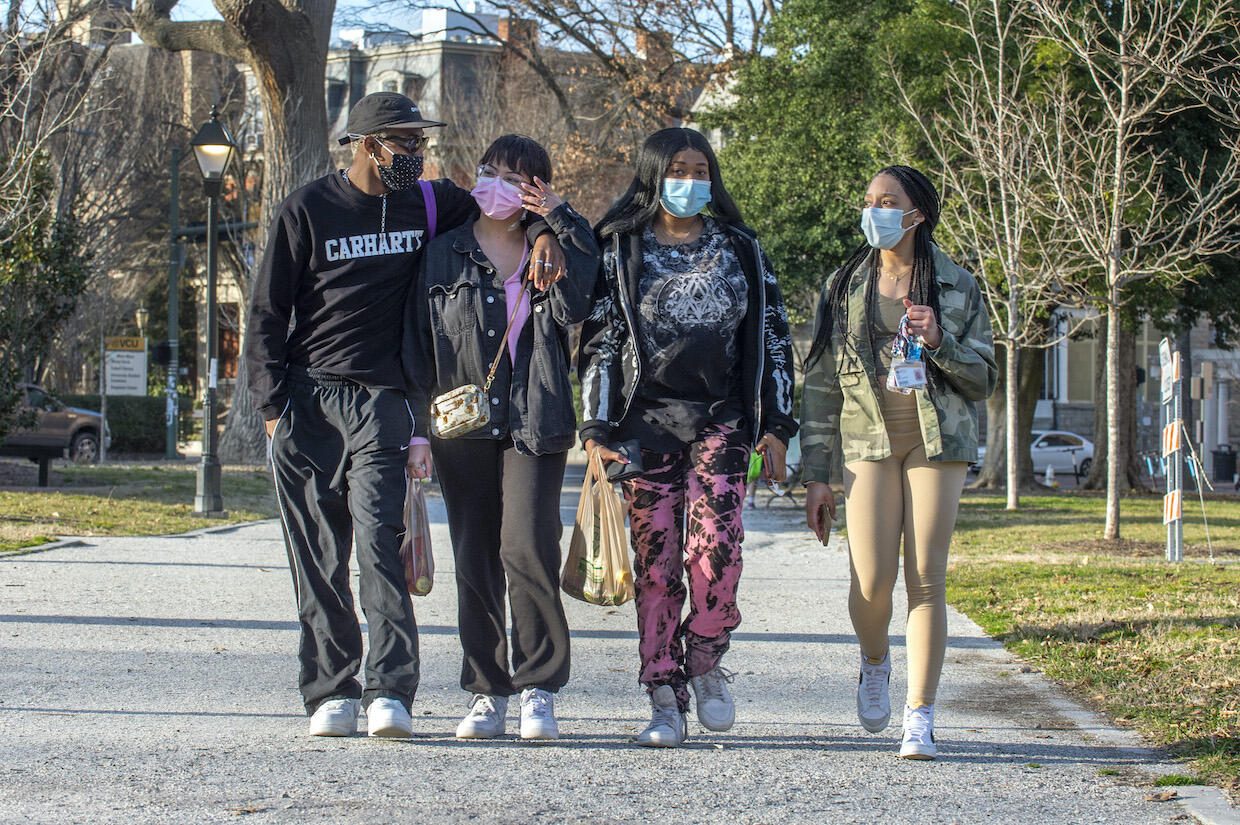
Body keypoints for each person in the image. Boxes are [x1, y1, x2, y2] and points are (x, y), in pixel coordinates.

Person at [246, 92, 567, 739]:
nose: (418, 154)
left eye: (421, 142)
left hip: (384, 400)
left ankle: (390, 690)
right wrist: (273, 407)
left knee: (381, 546)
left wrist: (545, 232)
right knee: (319, 554)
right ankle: (331, 690)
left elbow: (501, 214)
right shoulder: (306, 209)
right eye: (406, 143)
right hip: (309, 399)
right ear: (368, 145)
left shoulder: (430, 201)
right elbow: (267, 313)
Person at [578, 127, 797, 748]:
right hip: (642, 426)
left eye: (702, 170)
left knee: (716, 551)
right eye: (679, 169)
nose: (692, 181)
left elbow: (774, 337)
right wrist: (595, 429)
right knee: (656, 566)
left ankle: (704, 656)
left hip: (722, 420)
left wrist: (778, 426)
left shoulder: (741, 247)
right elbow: (601, 343)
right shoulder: (619, 248)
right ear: (654, 175)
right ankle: (662, 692)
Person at [403, 135, 599, 741]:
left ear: (538, 189)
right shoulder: (443, 253)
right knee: (474, 554)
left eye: (515, 178)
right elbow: (417, 346)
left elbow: (577, 308)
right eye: (489, 171)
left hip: (534, 419)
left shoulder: (555, 248)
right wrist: (416, 434)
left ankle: (539, 686)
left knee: (527, 547)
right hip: (461, 425)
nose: (497, 185)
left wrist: (557, 223)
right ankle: (487, 690)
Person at [800, 165, 996, 759]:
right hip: (867, 445)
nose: (875, 211)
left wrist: (940, 341)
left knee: (926, 580)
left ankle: (920, 715)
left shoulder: (957, 284)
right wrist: (816, 476)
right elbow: (820, 383)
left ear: (918, 214)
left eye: (888, 202)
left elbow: (984, 379)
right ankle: (875, 659)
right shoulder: (844, 284)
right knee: (871, 581)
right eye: (869, 201)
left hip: (936, 444)